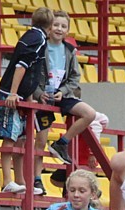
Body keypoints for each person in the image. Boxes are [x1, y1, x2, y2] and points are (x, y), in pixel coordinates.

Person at [32, 10, 97, 180]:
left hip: (62, 94)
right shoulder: (40, 46)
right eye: (56, 25)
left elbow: (75, 76)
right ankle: (37, 179)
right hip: (43, 97)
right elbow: (30, 73)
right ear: (49, 27)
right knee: (41, 139)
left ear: (68, 30)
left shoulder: (69, 50)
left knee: (89, 113)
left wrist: (63, 91)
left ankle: (62, 143)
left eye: (63, 26)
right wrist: (39, 94)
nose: (59, 29)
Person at [0, 6, 53, 195]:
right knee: (9, 137)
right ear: (50, 26)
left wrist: (29, 100)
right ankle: (7, 180)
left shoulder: (36, 37)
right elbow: (21, 66)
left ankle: (21, 181)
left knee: (21, 140)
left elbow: (31, 74)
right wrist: (12, 93)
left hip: (22, 97)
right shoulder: (36, 39)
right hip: (11, 95)